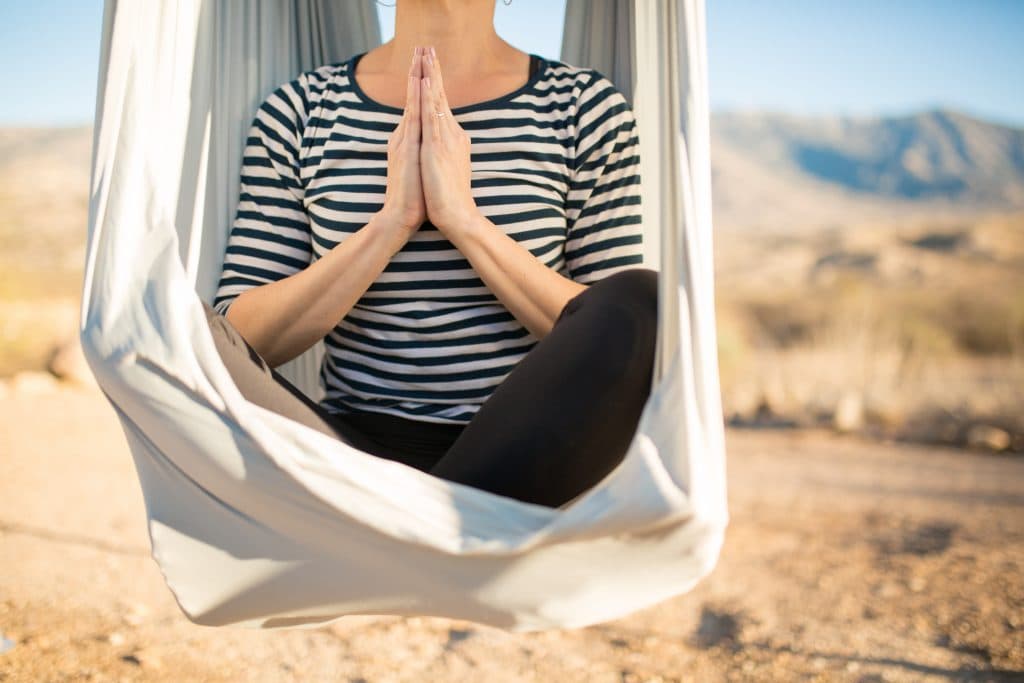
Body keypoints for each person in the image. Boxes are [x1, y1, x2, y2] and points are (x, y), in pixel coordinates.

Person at [205, 0, 658, 509]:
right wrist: (391, 223)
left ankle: (433, 528)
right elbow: (239, 332)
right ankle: (442, 535)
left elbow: (611, 327)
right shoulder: (302, 109)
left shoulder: (583, 107)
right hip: (348, 453)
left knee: (648, 303)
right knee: (179, 323)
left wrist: (462, 220)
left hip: (524, 453)